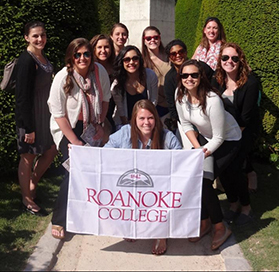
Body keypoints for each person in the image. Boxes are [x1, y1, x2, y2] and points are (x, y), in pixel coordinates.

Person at [47, 38, 111, 239]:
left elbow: (105, 99)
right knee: (73, 172)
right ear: (71, 57)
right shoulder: (62, 77)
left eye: (86, 54)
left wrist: (100, 124)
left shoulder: (99, 72)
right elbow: (58, 113)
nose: (82, 58)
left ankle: (88, 215)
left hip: (92, 126)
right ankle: (59, 220)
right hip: (69, 128)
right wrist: (74, 141)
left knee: (94, 173)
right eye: (78, 54)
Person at [175, 59, 242, 250]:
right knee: (197, 179)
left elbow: (220, 137)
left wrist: (201, 154)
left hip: (228, 140)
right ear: (180, 78)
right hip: (205, 139)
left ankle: (220, 228)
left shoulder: (212, 99)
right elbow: (186, 124)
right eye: (185, 75)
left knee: (203, 181)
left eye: (194, 75)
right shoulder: (180, 95)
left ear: (201, 76)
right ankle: (204, 223)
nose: (189, 78)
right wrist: (197, 148)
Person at [104, 99, 182, 255]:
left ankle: (161, 234)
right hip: (132, 183)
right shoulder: (125, 132)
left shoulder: (167, 137)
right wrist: (80, 152)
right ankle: (131, 225)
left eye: (150, 118)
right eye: (142, 118)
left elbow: (181, 160)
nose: (146, 122)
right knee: (122, 191)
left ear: (156, 118)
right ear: (134, 120)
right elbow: (105, 153)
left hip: (160, 186)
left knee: (166, 193)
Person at [212, 42, 260, 225]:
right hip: (222, 134)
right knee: (221, 168)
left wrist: (227, 140)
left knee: (234, 168)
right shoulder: (216, 81)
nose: (229, 61)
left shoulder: (250, 83)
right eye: (225, 57)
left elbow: (245, 119)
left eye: (234, 58)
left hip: (243, 132)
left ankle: (246, 208)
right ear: (220, 60)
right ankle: (233, 204)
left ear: (240, 61)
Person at [15, 21, 57, 216]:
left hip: (44, 115)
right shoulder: (26, 60)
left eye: (43, 35)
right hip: (30, 117)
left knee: (51, 150)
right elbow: (22, 97)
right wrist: (28, 127)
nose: (40, 39)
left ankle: (32, 184)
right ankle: (27, 199)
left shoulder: (41, 57)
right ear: (26, 38)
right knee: (28, 157)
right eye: (35, 36)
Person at [164, 39, 213, 134]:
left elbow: (215, 82)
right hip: (186, 122)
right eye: (173, 54)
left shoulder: (201, 66)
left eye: (181, 52)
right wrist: (186, 126)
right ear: (170, 58)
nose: (178, 55)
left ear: (186, 52)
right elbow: (171, 105)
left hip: (208, 114)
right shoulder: (170, 78)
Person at [111, 45, 158, 129]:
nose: (131, 62)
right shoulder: (117, 84)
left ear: (140, 60)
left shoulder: (150, 75)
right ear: (121, 62)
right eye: (127, 60)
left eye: (135, 58)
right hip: (125, 124)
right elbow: (122, 113)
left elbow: (153, 102)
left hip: (147, 121)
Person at [141, 26, 170, 119]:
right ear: (144, 41)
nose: (152, 40)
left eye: (155, 37)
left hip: (173, 103)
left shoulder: (170, 56)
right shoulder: (142, 62)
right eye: (148, 38)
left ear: (160, 38)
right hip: (156, 106)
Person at [90, 34, 116, 135]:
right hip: (94, 112)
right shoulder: (89, 68)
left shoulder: (115, 67)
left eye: (106, 47)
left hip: (111, 111)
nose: (103, 50)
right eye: (99, 47)